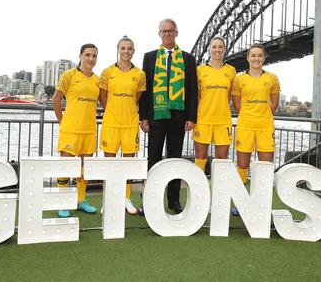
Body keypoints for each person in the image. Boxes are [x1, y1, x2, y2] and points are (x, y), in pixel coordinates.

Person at [139, 18, 198, 214]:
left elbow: (191, 89)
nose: (167, 34)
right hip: (156, 115)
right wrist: (144, 117)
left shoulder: (188, 59)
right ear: (159, 34)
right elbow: (145, 89)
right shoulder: (150, 57)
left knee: (174, 159)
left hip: (178, 117)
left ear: (176, 33)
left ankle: (173, 200)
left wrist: (191, 116)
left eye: (170, 31)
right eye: (163, 31)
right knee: (153, 159)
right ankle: (149, 199)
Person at [231, 43, 280, 216]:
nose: (256, 58)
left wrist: (263, 114)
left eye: (260, 55)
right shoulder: (239, 79)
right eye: (253, 55)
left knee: (265, 166)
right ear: (247, 58)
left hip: (265, 126)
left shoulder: (272, 78)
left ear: (264, 57)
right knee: (242, 165)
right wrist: (249, 114)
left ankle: (261, 202)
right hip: (246, 125)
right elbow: (237, 104)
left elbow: (274, 103)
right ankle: (240, 202)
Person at [98, 36, 146, 215]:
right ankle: (109, 199)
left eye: (130, 48)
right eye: (123, 48)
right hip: (111, 124)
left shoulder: (140, 74)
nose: (126, 51)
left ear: (134, 51)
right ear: (118, 49)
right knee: (109, 164)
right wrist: (112, 110)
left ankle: (126, 199)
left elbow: (137, 99)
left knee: (128, 165)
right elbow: (103, 97)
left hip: (130, 125)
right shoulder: (107, 72)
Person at [53, 43, 102, 217]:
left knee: (84, 168)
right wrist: (62, 122)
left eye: (94, 56)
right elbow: (56, 99)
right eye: (88, 55)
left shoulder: (98, 80)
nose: (91, 58)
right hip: (70, 130)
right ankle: (62, 202)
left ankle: (81, 200)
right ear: (80, 56)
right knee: (66, 166)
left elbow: (106, 103)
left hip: (89, 131)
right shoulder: (69, 75)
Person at [192, 36, 236, 172]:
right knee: (200, 157)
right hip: (203, 119)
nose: (217, 50)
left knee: (221, 159)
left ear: (225, 49)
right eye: (214, 46)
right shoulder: (200, 70)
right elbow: (197, 96)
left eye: (220, 47)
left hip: (223, 121)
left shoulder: (231, 71)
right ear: (209, 49)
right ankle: (198, 190)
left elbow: (229, 95)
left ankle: (219, 192)